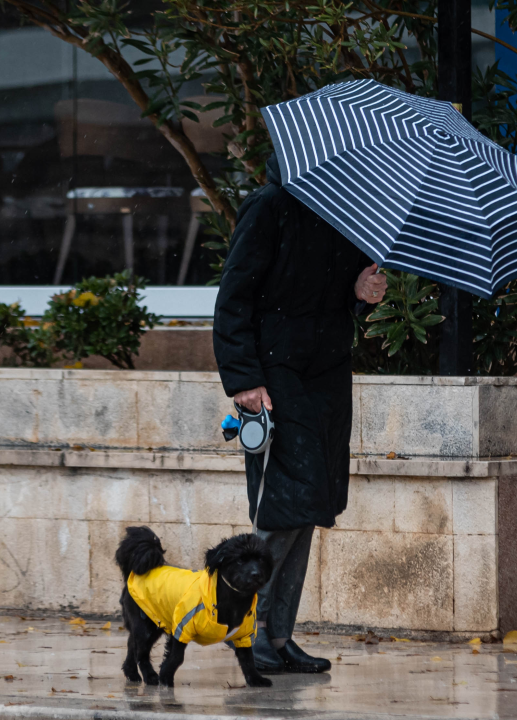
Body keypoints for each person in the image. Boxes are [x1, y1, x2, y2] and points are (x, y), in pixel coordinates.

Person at [212, 154, 386, 673]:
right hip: (274, 375)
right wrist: (243, 379)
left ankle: (278, 637)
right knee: (279, 507)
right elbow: (233, 297)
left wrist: (360, 293)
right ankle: (245, 629)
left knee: (309, 505)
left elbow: (332, 296)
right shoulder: (269, 206)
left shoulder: (346, 212)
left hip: (327, 376)